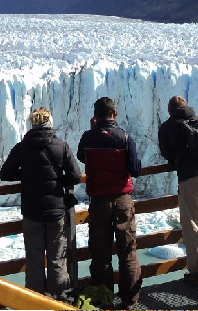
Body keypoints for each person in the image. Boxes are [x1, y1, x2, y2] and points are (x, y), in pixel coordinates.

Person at [0, 107, 82, 300]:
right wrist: (58, 178)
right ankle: (58, 299)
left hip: (32, 213)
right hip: (56, 212)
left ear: (33, 124)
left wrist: (27, 175)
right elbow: (76, 176)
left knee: (35, 259)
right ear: (50, 123)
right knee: (57, 259)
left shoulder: (22, 147)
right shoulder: (61, 146)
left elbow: (5, 173)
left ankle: (35, 302)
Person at [77, 97, 142, 307]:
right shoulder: (125, 138)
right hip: (122, 200)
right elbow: (136, 169)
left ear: (95, 116)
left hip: (98, 202)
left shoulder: (88, 137)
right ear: (114, 114)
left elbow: (81, 156)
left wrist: (93, 130)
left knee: (100, 253)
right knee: (127, 252)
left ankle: (105, 301)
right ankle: (129, 300)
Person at [158, 96, 198, 287]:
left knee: (193, 225)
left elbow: (167, 153)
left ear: (170, 111)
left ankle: (196, 271)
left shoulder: (168, 127)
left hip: (190, 177)